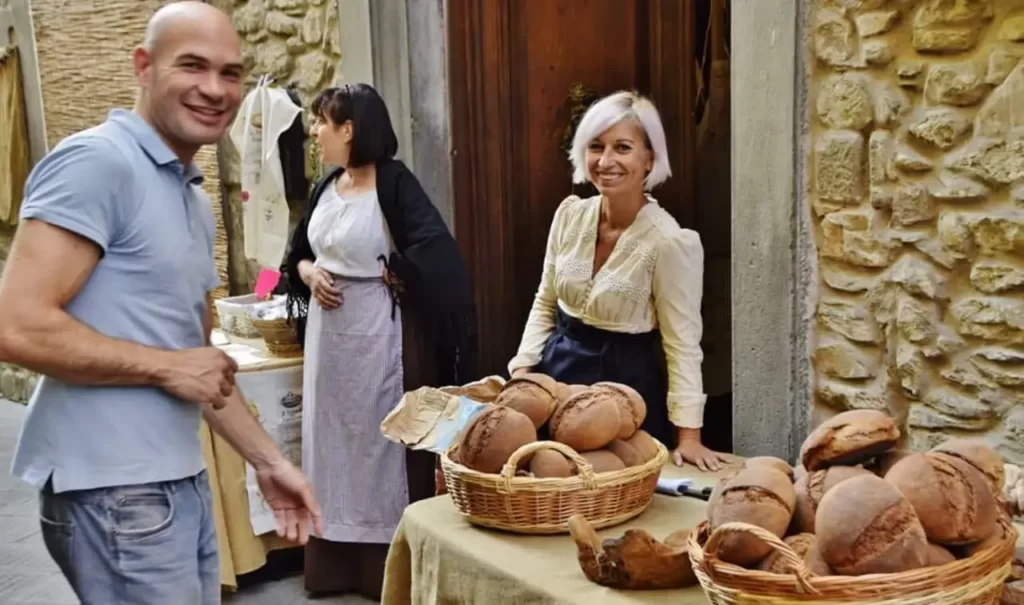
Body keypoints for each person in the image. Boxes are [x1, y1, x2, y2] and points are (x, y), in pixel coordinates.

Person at [0, 3, 321, 604]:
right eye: (192, 66)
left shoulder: (190, 195)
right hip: (113, 488)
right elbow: (15, 326)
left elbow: (195, 363)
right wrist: (168, 365)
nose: (214, 88)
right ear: (143, 66)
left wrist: (267, 460)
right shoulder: (97, 163)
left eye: (231, 73)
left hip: (174, 480)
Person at [282, 83, 476, 599]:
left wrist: (400, 272)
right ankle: (335, 563)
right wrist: (307, 274)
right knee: (333, 442)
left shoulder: (394, 183)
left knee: (376, 441)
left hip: (377, 335)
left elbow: (438, 254)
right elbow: (298, 251)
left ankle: (382, 570)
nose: (317, 132)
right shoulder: (328, 185)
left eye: (324, 122)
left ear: (350, 129)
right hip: (329, 341)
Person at [508, 90, 729, 472]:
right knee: (543, 491)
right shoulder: (569, 217)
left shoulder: (670, 243)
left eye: (622, 148)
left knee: (607, 501)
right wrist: (524, 374)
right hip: (556, 378)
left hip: (624, 396)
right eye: (596, 147)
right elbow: (545, 301)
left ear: (649, 160)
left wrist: (689, 437)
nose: (606, 161)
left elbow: (682, 343)